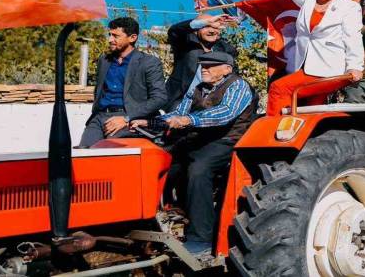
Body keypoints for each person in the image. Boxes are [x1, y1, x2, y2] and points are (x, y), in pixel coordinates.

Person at [133, 51, 256, 257]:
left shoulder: (239, 86)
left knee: (199, 170)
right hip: (199, 139)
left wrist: (189, 121)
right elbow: (178, 113)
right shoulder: (199, 88)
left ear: (227, 69)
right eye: (202, 65)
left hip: (227, 140)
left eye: (210, 65)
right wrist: (150, 122)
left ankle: (202, 238)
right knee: (162, 164)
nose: (204, 69)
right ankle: (156, 219)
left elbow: (225, 113)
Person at [265, 0, 364, 116]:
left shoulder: (348, 7)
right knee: (308, 110)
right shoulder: (308, 1)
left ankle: (272, 135)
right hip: (302, 66)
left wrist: (355, 66)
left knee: (279, 88)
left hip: (329, 69)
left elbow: (353, 37)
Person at [79, 17, 167, 148]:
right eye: (109, 35)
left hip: (127, 118)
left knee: (111, 154)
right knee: (83, 155)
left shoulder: (149, 63)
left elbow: (159, 98)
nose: (110, 39)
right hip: (99, 117)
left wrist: (127, 118)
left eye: (115, 36)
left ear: (132, 38)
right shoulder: (104, 60)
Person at [166, 13, 239, 111]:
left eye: (216, 27)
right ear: (196, 30)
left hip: (208, 104)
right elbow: (174, 31)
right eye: (206, 26)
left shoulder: (226, 50)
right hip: (178, 100)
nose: (212, 31)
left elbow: (232, 76)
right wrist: (206, 21)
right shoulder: (185, 43)